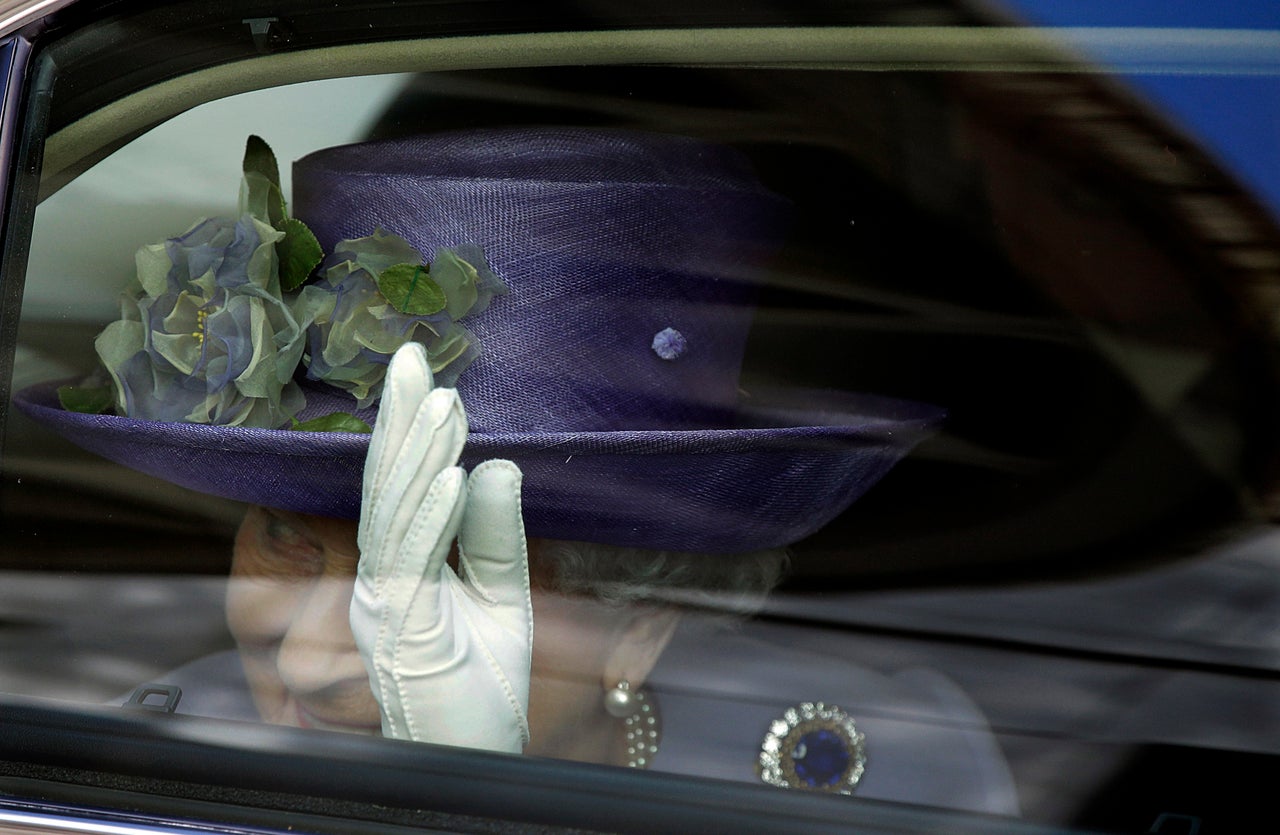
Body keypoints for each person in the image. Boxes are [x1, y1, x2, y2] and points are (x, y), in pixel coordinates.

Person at [17, 127, 1017, 812]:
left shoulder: (897, 776)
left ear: (638, 628)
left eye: (433, 563)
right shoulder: (134, 773)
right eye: (284, 534)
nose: (309, 661)